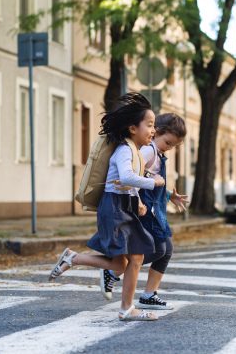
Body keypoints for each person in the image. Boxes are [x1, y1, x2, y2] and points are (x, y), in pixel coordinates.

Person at [48, 92, 164, 321]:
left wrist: (138, 201)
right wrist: (154, 182)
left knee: (120, 263)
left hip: (123, 207)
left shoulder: (133, 149)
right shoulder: (125, 150)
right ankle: (126, 309)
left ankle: (73, 258)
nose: (153, 131)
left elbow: (125, 183)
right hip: (114, 208)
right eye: (149, 125)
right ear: (133, 128)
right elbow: (126, 177)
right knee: (136, 258)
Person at [101, 113, 189, 310]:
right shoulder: (149, 152)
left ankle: (149, 294)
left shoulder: (157, 152)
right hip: (147, 211)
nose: (169, 147)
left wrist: (168, 196)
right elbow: (134, 180)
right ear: (156, 132)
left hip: (156, 208)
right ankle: (115, 270)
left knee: (166, 250)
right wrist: (139, 201)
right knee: (159, 249)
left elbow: (150, 182)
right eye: (167, 142)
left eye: (173, 145)